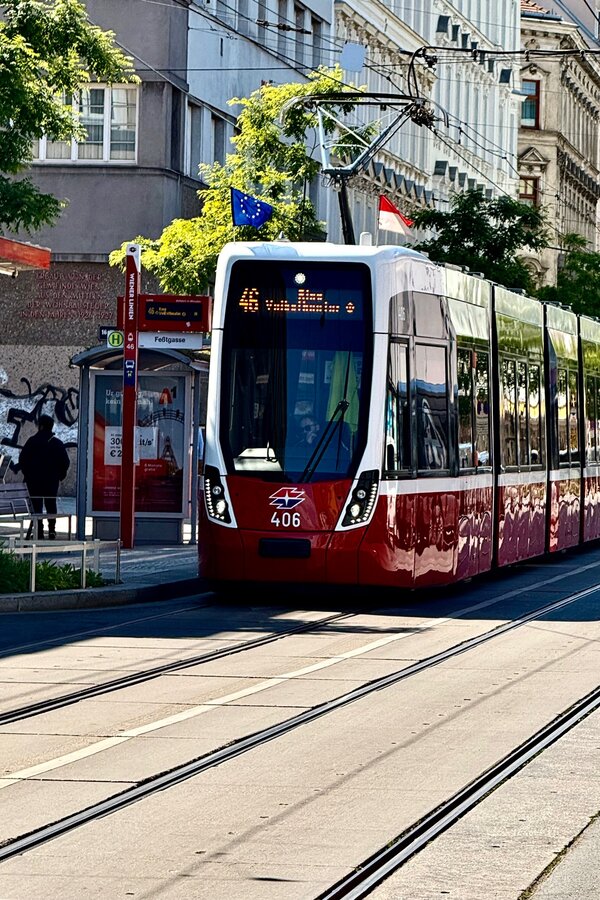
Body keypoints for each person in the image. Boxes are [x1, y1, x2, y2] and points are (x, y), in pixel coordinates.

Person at [19, 414, 70, 540]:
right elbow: (65, 462)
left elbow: (22, 460)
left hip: (34, 481)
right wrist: (59, 476)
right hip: (51, 482)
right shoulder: (57, 443)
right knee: (51, 504)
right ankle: (52, 530)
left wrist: (28, 474)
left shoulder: (32, 442)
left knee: (36, 506)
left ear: (40, 426)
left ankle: (39, 531)